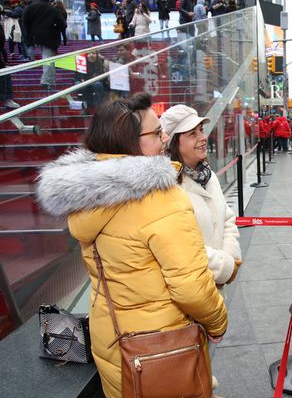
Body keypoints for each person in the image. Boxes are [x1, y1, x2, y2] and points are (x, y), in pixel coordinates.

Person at [36, 93, 228, 398]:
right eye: (156, 133)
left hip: (112, 342)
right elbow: (190, 286)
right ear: (130, 142)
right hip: (162, 347)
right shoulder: (162, 198)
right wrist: (218, 321)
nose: (166, 137)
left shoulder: (87, 198)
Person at [160, 104, 243, 286]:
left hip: (215, 287)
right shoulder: (167, 187)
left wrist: (230, 256)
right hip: (191, 291)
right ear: (174, 142)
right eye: (192, 134)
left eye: (201, 130)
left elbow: (227, 218)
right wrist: (223, 268)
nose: (203, 138)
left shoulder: (208, 175)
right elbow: (181, 246)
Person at [22, 0, 66, 88]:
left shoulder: (31, 7)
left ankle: (50, 81)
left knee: (47, 59)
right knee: (48, 59)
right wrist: (63, 36)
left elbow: (25, 22)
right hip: (51, 37)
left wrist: (28, 36)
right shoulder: (53, 10)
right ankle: (47, 81)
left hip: (36, 37)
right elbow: (62, 24)